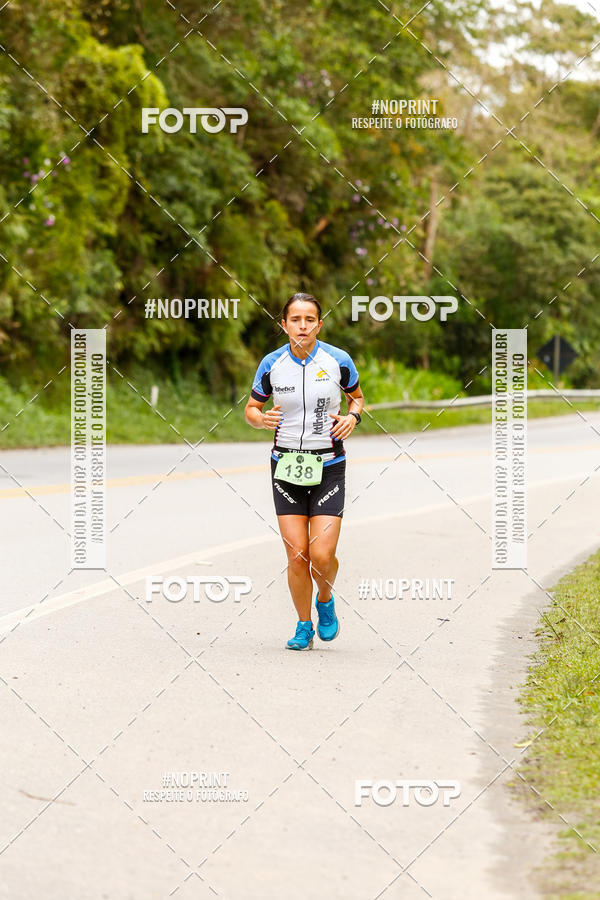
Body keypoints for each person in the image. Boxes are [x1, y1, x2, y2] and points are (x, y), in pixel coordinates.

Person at [244, 292, 364, 650]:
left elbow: (357, 397)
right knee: (297, 554)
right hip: (285, 466)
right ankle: (303, 625)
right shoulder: (271, 364)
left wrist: (352, 417)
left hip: (329, 464)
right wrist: (260, 419)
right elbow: (252, 407)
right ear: (283, 325)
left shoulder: (338, 360)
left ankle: (324, 599)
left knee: (321, 555)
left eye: (309, 319)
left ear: (319, 325)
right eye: (295, 319)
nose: (302, 326)